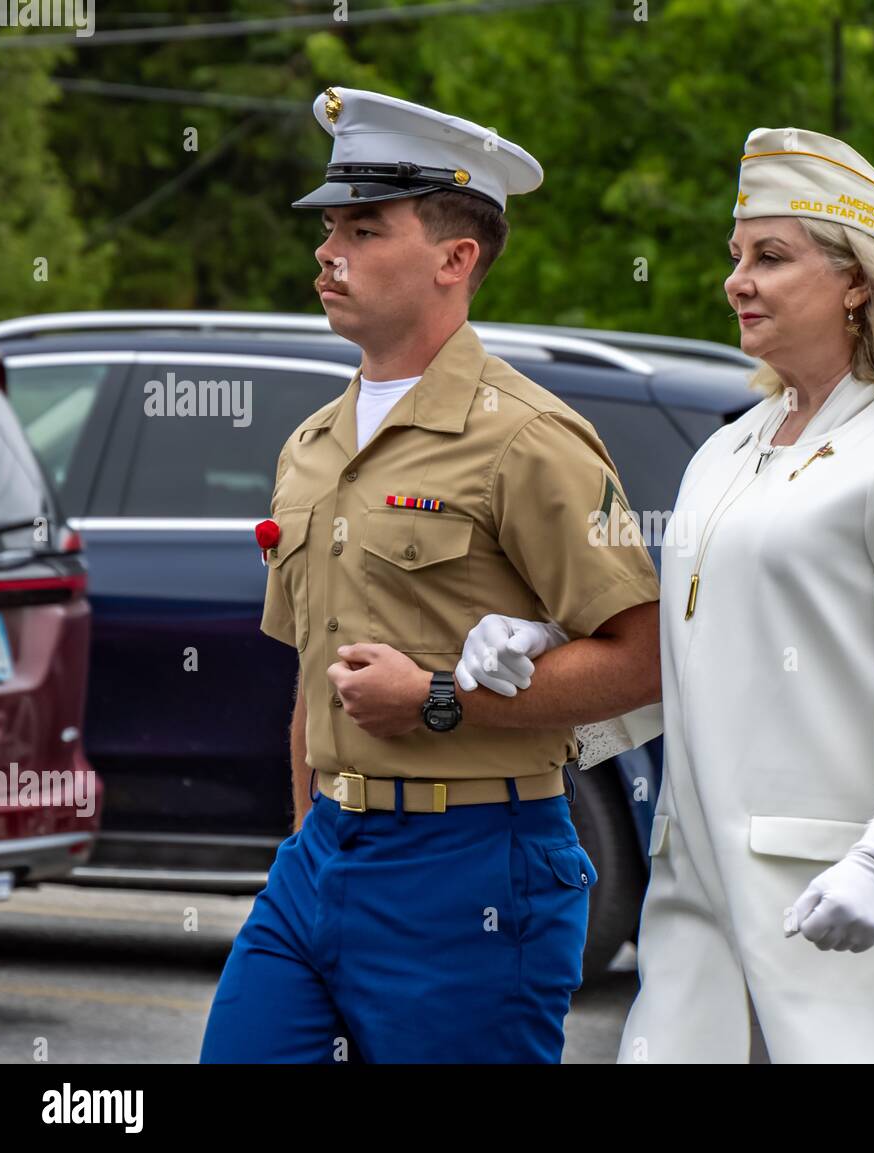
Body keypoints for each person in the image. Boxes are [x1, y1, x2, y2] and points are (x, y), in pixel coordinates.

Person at [464, 127, 874, 1063]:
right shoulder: (731, 448)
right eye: (736, 256)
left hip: (861, 896)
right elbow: (699, 640)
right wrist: (545, 639)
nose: (738, 279)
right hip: (701, 890)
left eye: (771, 257)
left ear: (859, 279)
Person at [199, 87, 661, 1064]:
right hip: (322, 856)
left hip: (476, 868)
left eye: (365, 230)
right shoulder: (312, 445)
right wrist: (306, 839)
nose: (329, 253)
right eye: (330, 228)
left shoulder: (532, 441)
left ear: (456, 259)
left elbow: (646, 660)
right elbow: (310, 682)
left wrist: (440, 699)